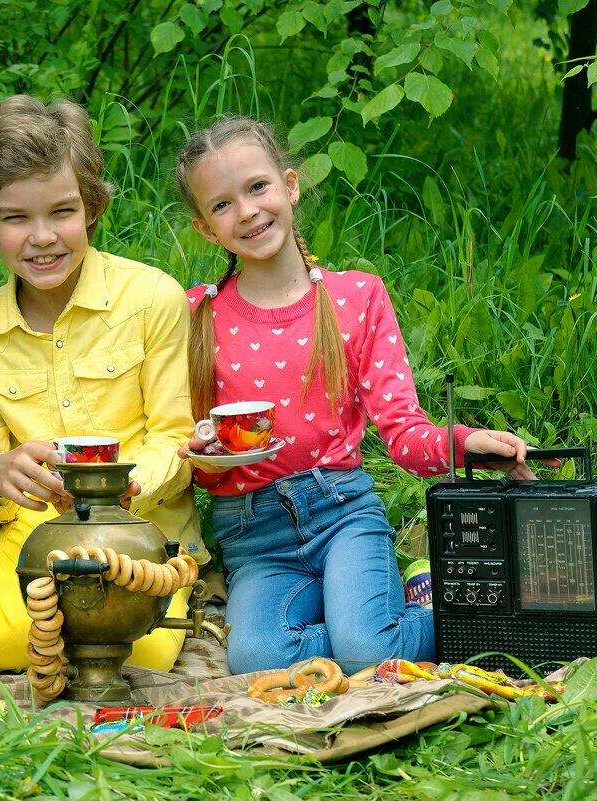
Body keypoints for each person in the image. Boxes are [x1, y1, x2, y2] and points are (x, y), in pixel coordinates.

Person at [175, 117, 543, 675]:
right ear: (206, 228)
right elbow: (187, 443)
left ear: (291, 185)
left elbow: (403, 431)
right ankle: (365, 617)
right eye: (222, 205)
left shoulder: (357, 297)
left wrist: (464, 443)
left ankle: (423, 609)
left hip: (342, 511)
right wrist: (198, 454)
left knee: (369, 652)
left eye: (257, 187)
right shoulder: (196, 315)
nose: (247, 211)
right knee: (256, 659)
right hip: (252, 531)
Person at [0, 95, 207, 672]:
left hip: (141, 532)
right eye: (16, 218)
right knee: (9, 635)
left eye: (61, 212)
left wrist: (122, 486)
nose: (42, 237)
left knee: (147, 649)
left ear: (90, 205)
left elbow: (177, 439)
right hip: (30, 533)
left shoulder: (152, 299)